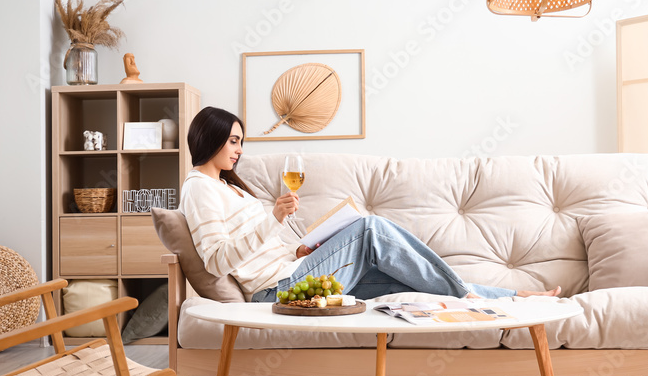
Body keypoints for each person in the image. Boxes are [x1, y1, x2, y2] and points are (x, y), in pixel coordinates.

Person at [180, 107, 562, 303]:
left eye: (241, 141)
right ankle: (470, 296)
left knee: (410, 283)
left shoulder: (232, 189)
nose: (240, 150)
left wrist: (297, 247)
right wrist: (274, 219)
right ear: (209, 138)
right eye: (233, 141)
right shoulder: (199, 189)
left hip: (292, 270)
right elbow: (217, 262)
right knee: (369, 228)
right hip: (277, 292)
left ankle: (514, 299)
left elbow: (259, 249)